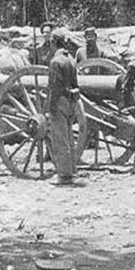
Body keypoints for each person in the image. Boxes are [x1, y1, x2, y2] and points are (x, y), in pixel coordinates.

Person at [47, 28, 81, 185]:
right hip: (71, 101)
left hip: (59, 101)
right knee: (68, 137)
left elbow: (54, 87)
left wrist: (50, 106)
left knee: (60, 139)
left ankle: (64, 175)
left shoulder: (55, 62)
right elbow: (75, 84)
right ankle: (72, 170)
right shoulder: (71, 60)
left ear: (54, 43)